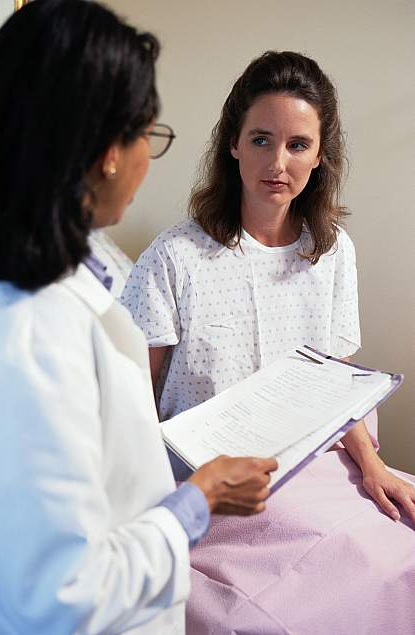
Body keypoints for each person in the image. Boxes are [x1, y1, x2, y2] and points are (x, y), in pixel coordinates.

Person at [0, 3, 278, 634]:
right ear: (107, 153)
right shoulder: (31, 330)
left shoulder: (88, 259)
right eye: (148, 136)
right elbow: (59, 597)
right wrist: (198, 500)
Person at [122, 51, 415, 633]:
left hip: (317, 463)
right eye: (261, 139)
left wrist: (375, 466)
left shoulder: (331, 253)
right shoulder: (175, 257)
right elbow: (133, 404)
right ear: (233, 143)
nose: (278, 162)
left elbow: (338, 385)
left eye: (298, 145)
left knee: (395, 554)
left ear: (320, 155)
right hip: (214, 485)